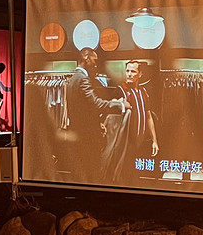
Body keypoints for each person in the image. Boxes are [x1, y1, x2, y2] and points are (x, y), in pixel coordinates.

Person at [66, 47, 125, 184]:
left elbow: (82, 108)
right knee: (92, 171)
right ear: (86, 58)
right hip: (87, 135)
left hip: (78, 132)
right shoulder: (82, 79)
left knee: (83, 171)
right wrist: (119, 105)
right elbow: (95, 103)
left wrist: (97, 122)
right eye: (94, 60)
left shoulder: (73, 78)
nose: (96, 64)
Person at [101, 59, 159, 182]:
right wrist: (119, 103)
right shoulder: (120, 90)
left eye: (133, 71)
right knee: (123, 175)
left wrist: (154, 141)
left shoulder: (144, 92)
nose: (129, 74)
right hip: (126, 143)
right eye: (127, 71)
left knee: (136, 175)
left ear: (140, 74)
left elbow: (148, 116)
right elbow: (108, 115)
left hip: (141, 142)